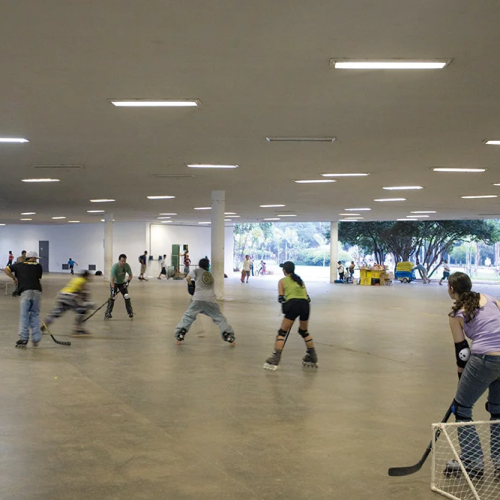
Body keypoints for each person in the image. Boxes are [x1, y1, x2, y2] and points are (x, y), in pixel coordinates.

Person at [442, 272, 500, 479]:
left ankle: (473, 463)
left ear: (450, 288)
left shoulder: (456, 314)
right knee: (497, 410)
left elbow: (462, 352)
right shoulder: (492, 299)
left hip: (485, 358)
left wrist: (462, 380)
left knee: (463, 408)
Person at [264, 261, 318, 370]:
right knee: (304, 331)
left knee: (282, 332)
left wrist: (287, 311)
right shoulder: (300, 281)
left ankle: (276, 357)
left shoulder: (282, 281)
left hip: (293, 304)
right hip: (305, 305)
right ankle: (312, 355)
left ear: (284, 271)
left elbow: (281, 299)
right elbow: (307, 297)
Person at [174, 258, 235, 345]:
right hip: (210, 301)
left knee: (189, 316)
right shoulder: (210, 275)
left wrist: (191, 284)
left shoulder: (197, 270)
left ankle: (181, 333)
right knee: (219, 318)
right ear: (207, 265)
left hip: (198, 299)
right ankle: (228, 334)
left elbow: (187, 278)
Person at [3, 251, 43, 348]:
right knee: (35, 315)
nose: (35, 260)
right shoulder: (38, 266)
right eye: (35, 258)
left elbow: (6, 269)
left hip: (25, 292)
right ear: (32, 258)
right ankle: (36, 338)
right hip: (37, 292)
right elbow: (38, 279)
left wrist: (14, 278)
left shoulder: (18, 265)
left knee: (24, 315)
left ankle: (24, 338)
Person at [42, 270, 94, 336]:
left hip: (62, 295)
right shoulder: (83, 281)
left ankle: (47, 321)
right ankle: (78, 328)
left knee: (58, 312)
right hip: (70, 296)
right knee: (82, 311)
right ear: (86, 276)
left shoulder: (75, 279)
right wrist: (87, 303)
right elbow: (84, 293)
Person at [105, 254, 134, 319]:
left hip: (122, 283)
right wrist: (113, 290)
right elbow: (112, 279)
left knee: (126, 296)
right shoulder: (115, 267)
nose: (123, 262)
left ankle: (130, 312)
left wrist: (127, 282)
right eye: (122, 261)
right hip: (114, 283)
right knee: (112, 298)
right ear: (119, 260)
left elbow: (130, 275)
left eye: (125, 261)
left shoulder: (127, 266)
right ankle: (108, 313)